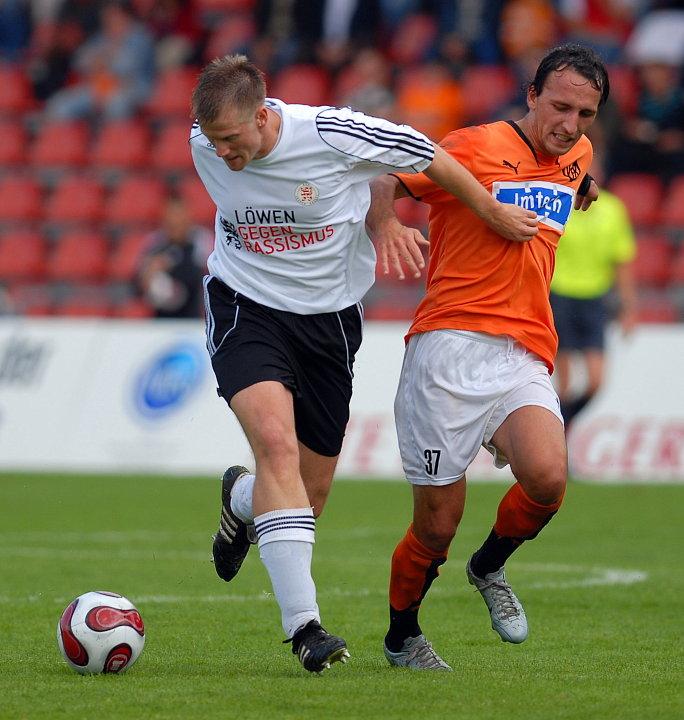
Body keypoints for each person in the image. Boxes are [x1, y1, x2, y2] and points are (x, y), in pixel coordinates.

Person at [189, 53, 539, 674]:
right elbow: (218, 146)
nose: (221, 154)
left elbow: (423, 157)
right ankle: (306, 630)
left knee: (308, 492)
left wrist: (475, 212)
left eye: (233, 141)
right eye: (213, 142)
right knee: (275, 446)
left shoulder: (332, 132)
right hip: (245, 307)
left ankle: (242, 501)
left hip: (328, 322)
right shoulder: (203, 141)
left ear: (264, 116)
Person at [367, 43, 606, 670]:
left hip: (524, 348)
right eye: (559, 107)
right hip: (447, 348)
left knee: (549, 478)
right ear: (530, 95)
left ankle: (489, 567)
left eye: (585, 113)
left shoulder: (576, 154)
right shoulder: (472, 146)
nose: (571, 125)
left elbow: (570, 173)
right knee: (436, 527)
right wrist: (385, 224)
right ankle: (402, 636)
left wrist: (582, 187)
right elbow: (389, 178)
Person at [550, 161, 637, 431]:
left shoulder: (612, 209)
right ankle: (555, 443)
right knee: (564, 383)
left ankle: (561, 426)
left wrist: (628, 308)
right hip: (559, 294)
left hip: (594, 298)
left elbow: (621, 262)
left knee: (596, 380)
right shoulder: (559, 202)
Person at [137, 197, 212, 319]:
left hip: (194, 319)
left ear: (189, 218)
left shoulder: (201, 241)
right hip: (162, 320)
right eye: (171, 218)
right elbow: (137, 284)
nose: (175, 221)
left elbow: (203, 276)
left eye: (179, 217)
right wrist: (148, 275)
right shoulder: (155, 244)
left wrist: (170, 266)